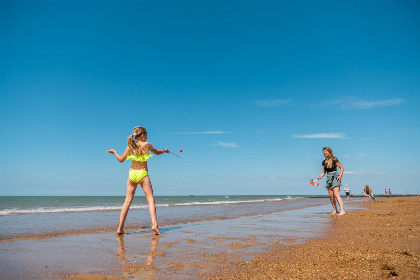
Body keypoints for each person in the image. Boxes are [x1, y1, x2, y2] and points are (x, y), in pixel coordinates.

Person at [107, 126, 169, 235]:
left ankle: (120, 228)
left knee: (127, 202)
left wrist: (114, 152)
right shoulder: (147, 145)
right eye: (146, 134)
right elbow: (157, 152)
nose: (147, 136)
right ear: (142, 135)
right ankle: (154, 225)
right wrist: (165, 151)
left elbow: (121, 160)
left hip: (132, 175)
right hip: (142, 174)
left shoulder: (130, 146)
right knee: (150, 199)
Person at [318, 147, 345, 215]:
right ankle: (335, 210)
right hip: (328, 177)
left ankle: (342, 210)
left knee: (336, 194)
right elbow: (323, 172)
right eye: (324, 152)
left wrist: (340, 176)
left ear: (329, 152)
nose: (325, 153)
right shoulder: (323, 162)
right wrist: (319, 177)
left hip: (335, 176)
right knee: (331, 195)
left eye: (326, 151)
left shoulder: (334, 159)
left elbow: (341, 168)